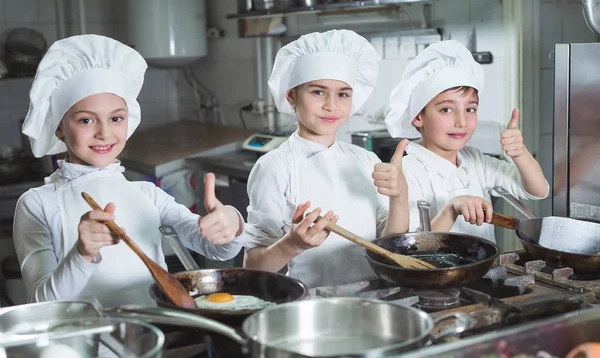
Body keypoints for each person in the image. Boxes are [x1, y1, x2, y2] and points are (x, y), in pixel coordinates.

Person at [13, 35, 245, 306]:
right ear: (59, 127)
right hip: (83, 344)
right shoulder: (36, 204)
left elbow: (215, 249)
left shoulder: (149, 195)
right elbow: (41, 302)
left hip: (154, 337)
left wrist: (231, 224)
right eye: (86, 120)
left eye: (116, 118)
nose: (104, 133)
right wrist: (82, 253)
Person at [242, 29, 409, 288]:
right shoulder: (275, 167)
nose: (332, 105)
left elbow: (391, 247)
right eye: (318, 92)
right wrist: (292, 244)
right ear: (292, 96)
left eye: (343, 94)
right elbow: (253, 267)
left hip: (377, 297)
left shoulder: (365, 160)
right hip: (311, 305)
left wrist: (400, 196)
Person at [385, 40, 549, 241]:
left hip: (484, 271)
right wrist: (451, 209)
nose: (461, 122)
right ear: (418, 116)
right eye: (447, 109)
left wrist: (519, 153)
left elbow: (538, 190)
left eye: (470, 109)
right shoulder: (407, 172)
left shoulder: (474, 160)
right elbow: (410, 249)